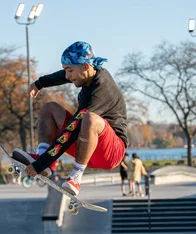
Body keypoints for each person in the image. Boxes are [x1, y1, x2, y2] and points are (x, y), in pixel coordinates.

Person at [11, 41, 128, 196]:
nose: (67, 76)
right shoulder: (86, 73)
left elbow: (72, 130)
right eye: (66, 70)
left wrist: (39, 165)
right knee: (49, 108)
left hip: (111, 153)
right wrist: (40, 83)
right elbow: (62, 76)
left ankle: (76, 177)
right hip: (85, 147)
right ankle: (45, 159)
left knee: (90, 119)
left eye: (70, 71)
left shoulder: (101, 89)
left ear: (86, 66)